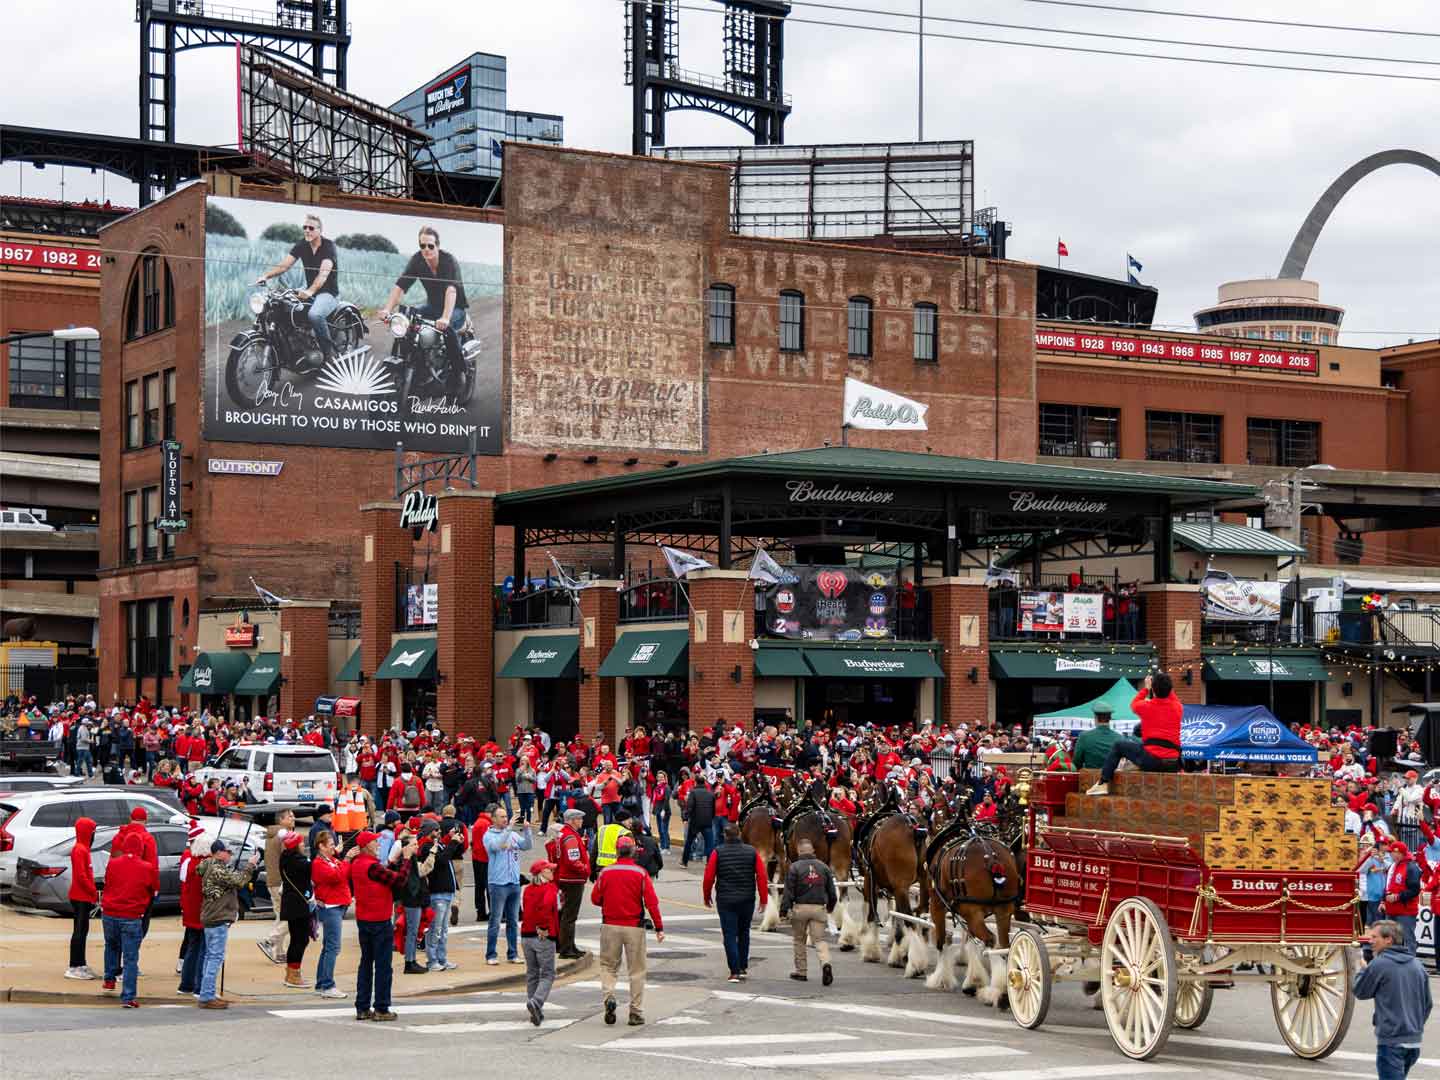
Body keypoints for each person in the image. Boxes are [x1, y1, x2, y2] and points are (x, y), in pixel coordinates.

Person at [376, 225, 470, 391]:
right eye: (422, 246)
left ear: (437, 245)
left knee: (447, 331)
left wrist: (445, 318)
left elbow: (451, 290)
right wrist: (387, 309)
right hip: (432, 307)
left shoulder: (449, 261)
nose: (426, 249)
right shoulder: (417, 260)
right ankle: (412, 363)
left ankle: (458, 373)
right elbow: (401, 286)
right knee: (405, 317)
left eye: (430, 246)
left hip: (455, 308)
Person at [591, 836, 665, 1026]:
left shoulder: (606, 872)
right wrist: (659, 927)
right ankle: (635, 1011)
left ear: (616, 851)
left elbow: (595, 898)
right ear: (633, 851)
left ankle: (609, 996)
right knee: (637, 971)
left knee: (608, 966)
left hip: (609, 925)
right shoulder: (640, 873)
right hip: (633, 926)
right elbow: (651, 902)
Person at [254, 212, 341, 364]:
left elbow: (323, 274)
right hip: (308, 289)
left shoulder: (328, 246)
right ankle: (295, 344)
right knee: (281, 305)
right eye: (305, 227)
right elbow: (284, 265)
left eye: (311, 228)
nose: (307, 230)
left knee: (315, 315)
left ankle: (328, 353)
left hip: (328, 293)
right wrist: (266, 276)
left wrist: (310, 291)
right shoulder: (302, 245)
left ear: (320, 230)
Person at [1353, 919, 1432, 1080]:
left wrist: (1362, 968)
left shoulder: (1379, 964)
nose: (1370, 941)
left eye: (1375, 937)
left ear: (1388, 939)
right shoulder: (1417, 965)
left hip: (1391, 1042)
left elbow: (1360, 991)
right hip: (1414, 1042)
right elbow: (1428, 1004)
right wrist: (1414, 1027)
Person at [348, 827, 412, 1022]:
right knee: (383, 966)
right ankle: (381, 1007)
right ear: (367, 846)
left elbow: (384, 877)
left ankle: (362, 1006)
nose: (378, 844)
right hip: (379, 919)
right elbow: (400, 880)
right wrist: (407, 859)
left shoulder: (357, 864)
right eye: (375, 842)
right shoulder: (372, 866)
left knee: (366, 963)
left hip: (364, 918)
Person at [1086, 673, 1181, 796]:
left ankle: (1103, 783)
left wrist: (1146, 688)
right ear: (1170, 689)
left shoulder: (1145, 706)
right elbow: (1170, 694)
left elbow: (1134, 704)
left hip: (1152, 761)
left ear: (1153, 689)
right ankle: (1134, 766)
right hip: (1173, 763)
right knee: (1142, 744)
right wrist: (1163, 684)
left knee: (1119, 745)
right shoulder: (1178, 707)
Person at [196, 840, 259, 1010]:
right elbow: (239, 881)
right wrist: (250, 865)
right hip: (218, 917)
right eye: (228, 852)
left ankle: (206, 991)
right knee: (215, 957)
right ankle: (207, 996)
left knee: (210, 957)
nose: (230, 855)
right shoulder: (217, 869)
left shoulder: (209, 865)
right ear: (219, 852)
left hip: (211, 916)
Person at [702, 823, 769, 983]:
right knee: (744, 932)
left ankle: (734, 971)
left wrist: (706, 895)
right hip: (747, 898)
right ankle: (743, 966)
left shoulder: (717, 852)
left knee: (730, 934)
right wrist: (764, 899)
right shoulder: (751, 852)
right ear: (739, 834)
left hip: (726, 899)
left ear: (725, 836)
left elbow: (709, 877)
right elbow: (761, 876)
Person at [780, 838, 838, 985]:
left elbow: (788, 892)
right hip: (819, 908)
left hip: (800, 908)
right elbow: (832, 892)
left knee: (799, 940)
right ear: (813, 851)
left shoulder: (794, 867)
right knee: (819, 940)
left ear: (799, 851)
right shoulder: (823, 867)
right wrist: (831, 906)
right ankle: (825, 963)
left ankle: (801, 972)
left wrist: (783, 910)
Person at [482, 804, 533, 965]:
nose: (505, 819)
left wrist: (526, 830)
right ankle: (491, 954)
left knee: (513, 920)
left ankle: (513, 953)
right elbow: (496, 846)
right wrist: (509, 828)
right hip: (498, 883)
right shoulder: (489, 835)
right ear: (494, 819)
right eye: (502, 817)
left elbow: (527, 846)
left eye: (506, 816)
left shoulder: (511, 835)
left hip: (514, 882)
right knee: (495, 920)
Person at [310, 830, 351, 998]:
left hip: (337, 904)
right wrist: (347, 860)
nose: (335, 847)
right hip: (330, 907)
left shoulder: (331, 859)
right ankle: (328, 984)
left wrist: (342, 861)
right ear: (321, 846)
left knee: (328, 946)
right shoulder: (318, 863)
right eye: (331, 844)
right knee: (333, 947)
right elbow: (337, 876)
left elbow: (340, 871)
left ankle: (321, 982)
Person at [520, 859, 560, 1027]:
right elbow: (547, 906)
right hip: (543, 936)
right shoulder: (550, 888)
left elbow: (523, 910)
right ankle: (536, 1002)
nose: (552, 872)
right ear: (542, 873)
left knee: (532, 973)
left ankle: (534, 1009)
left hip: (526, 935)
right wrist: (543, 926)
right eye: (549, 870)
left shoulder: (526, 890)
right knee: (548, 974)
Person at [424, 821, 466, 972]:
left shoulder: (439, 845)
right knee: (435, 929)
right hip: (438, 893)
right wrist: (452, 842)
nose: (439, 832)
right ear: (430, 831)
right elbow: (441, 861)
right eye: (437, 830)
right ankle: (432, 960)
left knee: (443, 930)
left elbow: (450, 852)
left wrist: (452, 839)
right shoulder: (427, 847)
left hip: (446, 892)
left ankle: (442, 959)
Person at [258, 809, 297, 964]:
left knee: (281, 917)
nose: (294, 818)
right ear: (281, 820)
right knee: (291, 917)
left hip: (273, 881)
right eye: (290, 816)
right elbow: (290, 861)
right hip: (282, 882)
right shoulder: (283, 836)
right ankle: (269, 941)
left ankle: (279, 953)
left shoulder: (271, 835)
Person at [552, 808, 591, 960]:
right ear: (572, 820)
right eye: (579, 818)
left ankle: (567, 945)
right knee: (569, 915)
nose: (581, 821)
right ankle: (566, 948)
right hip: (573, 879)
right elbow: (572, 859)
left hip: (565, 878)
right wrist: (586, 869)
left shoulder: (564, 834)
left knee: (564, 914)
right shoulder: (571, 837)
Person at [64, 816, 98, 980]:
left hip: (83, 895)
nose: (93, 835)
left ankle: (81, 963)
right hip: (80, 896)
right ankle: (74, 966)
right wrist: (93, 892)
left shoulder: (83, 849)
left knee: (83, 931)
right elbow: (81, 876)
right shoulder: (79, 850)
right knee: (79, 931)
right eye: (92, 832)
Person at [278, 832, 314, 989]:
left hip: (292, 903)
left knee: (297, 939)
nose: (303, 845)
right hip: (298, 905)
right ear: (295, 846)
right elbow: (312, 868)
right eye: (300, 843)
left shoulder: (286, 858)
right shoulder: (297, 861)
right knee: (300, 940)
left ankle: (291, 972)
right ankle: (293, 974)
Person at [1379, 838, 1422, 951]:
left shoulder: (1411, 867)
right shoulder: (1393, 866)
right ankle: (1393, 964)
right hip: (1391, 909)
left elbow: (1415, 890)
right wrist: (1383, 901)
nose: (1390, 855)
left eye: (1392, 852)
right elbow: (1387, 886)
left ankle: (1410, 966)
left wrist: (1398, 897)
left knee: (1408, 940)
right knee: (1390, 940)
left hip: (1406, 911)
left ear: (1398, 853)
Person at [1072, 702, 1121, 770]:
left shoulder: (1084, 737)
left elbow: (1076, 762)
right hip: (1112, 778)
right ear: (1110, 718)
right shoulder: (1120, 738)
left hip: (1090, 779)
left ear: (1095, 717)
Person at [681, 776, 717, 867]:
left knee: (689, 842)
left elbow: (689, 807)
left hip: (695, 821)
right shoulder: (710, 793)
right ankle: (710, 863)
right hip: (707, 821)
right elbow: (713, 809)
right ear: (704, 782)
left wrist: (685, 818)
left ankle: (684, 862)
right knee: (710, 844)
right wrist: (711, 818)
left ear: (696, 783)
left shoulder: (693, 792)